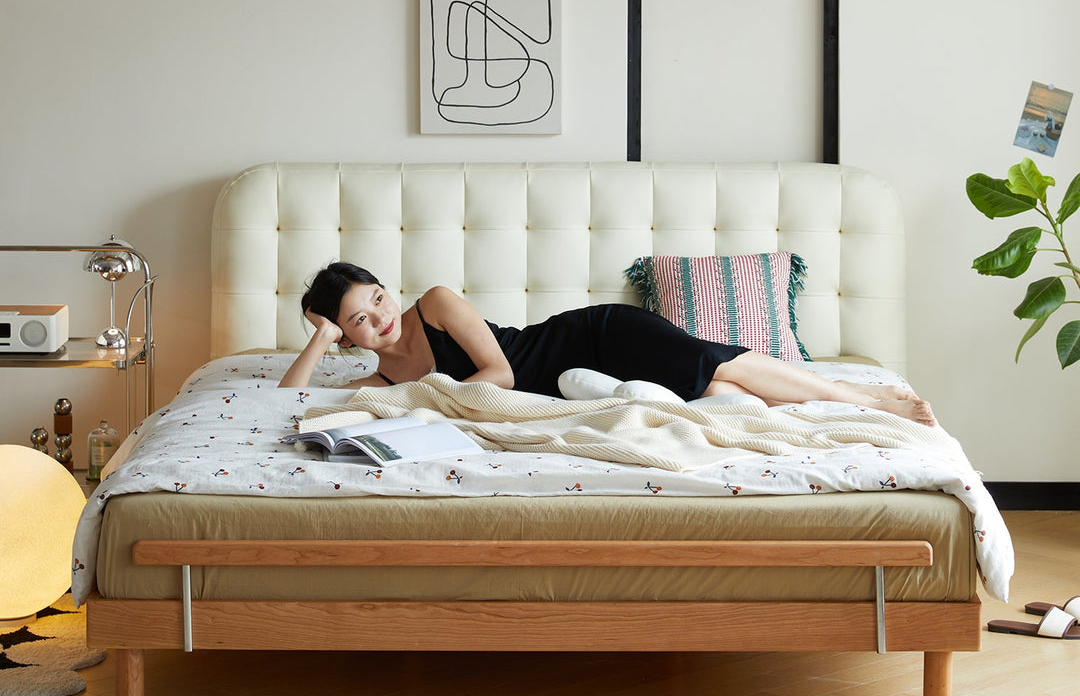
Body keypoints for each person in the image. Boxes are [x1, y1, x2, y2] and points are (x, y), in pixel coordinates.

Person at [279, 261, 935, 425]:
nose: (379, 317)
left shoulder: (437, 305)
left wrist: (431, 396)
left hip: (588, 338)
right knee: (715, 386)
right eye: (358, 320)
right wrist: (322, 339)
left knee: (712, 363)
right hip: (580, 381)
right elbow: (289, 398)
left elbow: (501, 376)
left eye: (376, 298)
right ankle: (841, 404)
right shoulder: (382, 377)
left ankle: (860, 399)